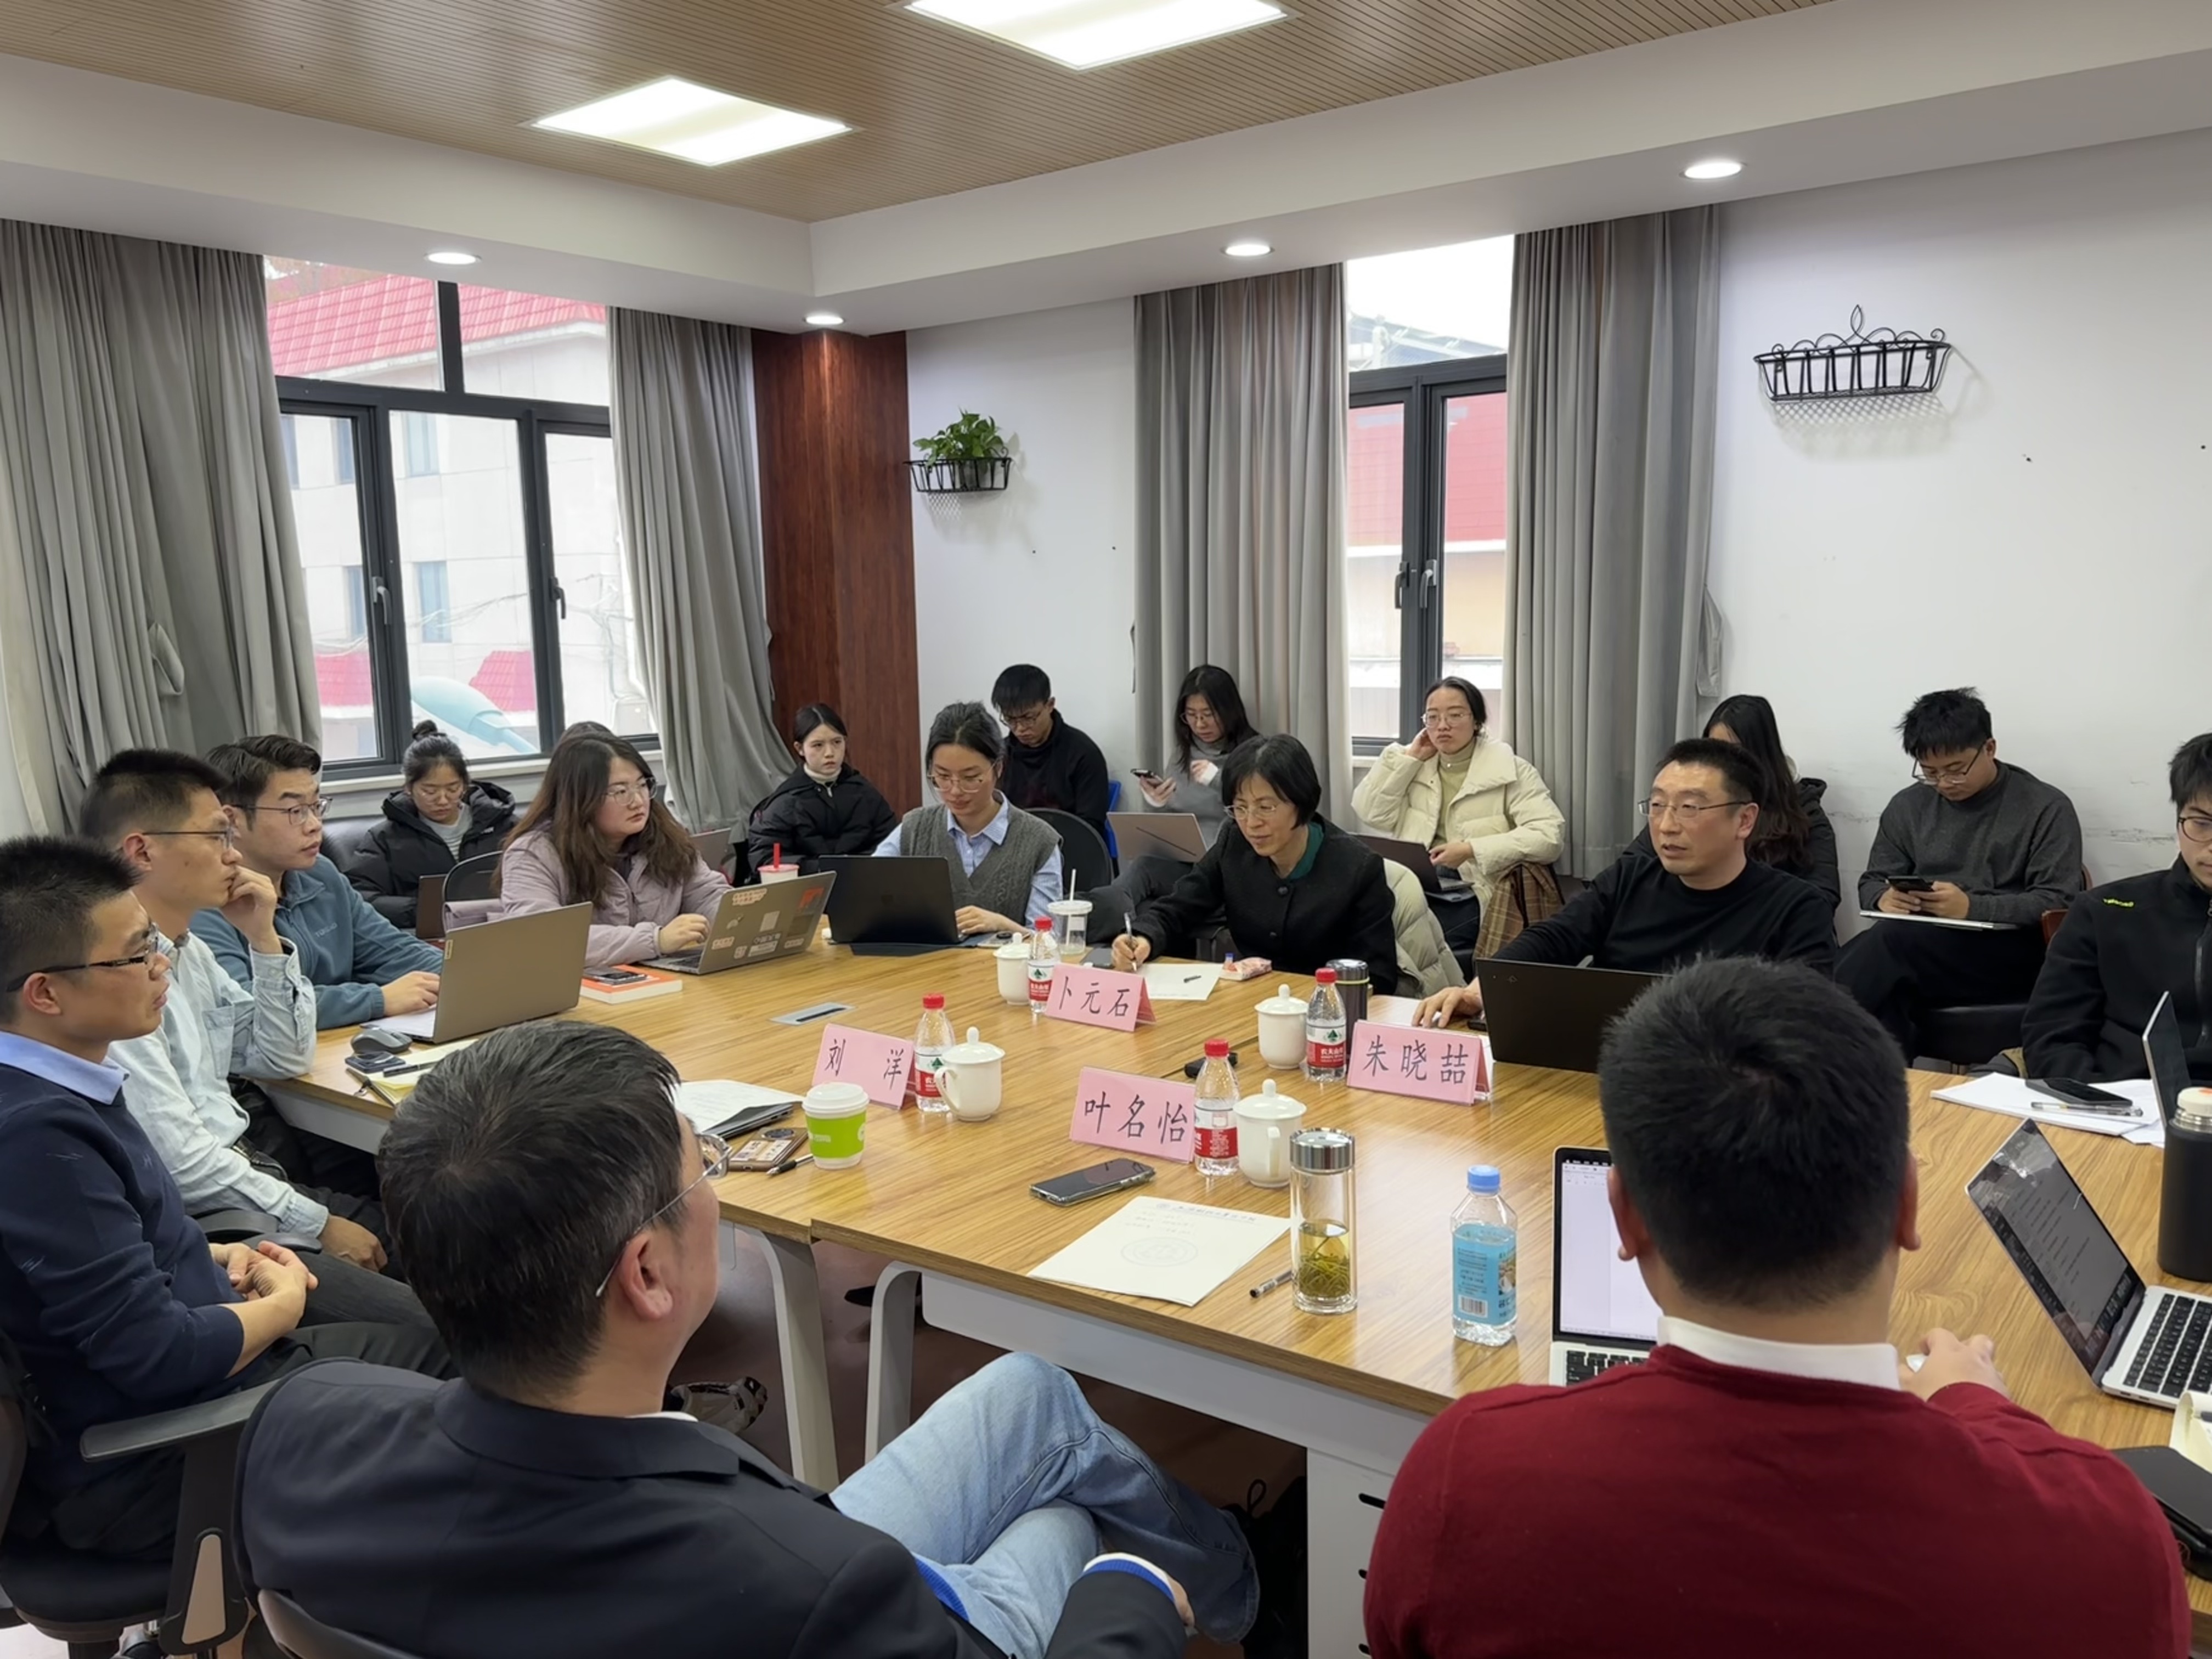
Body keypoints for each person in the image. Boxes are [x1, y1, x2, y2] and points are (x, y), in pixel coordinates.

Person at [236, 1022, 1261, 1659]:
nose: (715, 1194)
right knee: (1071, 1531)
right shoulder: (818, 1591)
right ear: (646, 1272)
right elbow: (813, 1585)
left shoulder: (300, 1427)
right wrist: (1126, 1597)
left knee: (1030, 1393)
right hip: (795, 1594)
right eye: (706, 1172)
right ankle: (1242, 1592)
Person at [1366, 956, 2187, 1659]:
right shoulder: (2109, 1541)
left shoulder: (1468, 1480)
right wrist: (1981, 1405)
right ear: (1906, 1206)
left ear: (1624, 1218)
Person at [0, 838, 452, 1561]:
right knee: (464, 1405)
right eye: (136, 954)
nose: (162, 967)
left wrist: (212, 1253)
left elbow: (86, 1260)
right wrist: (283, 1305)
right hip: (153, 1459)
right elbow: (155, 1355)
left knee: (447, 1348)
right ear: (46, 994)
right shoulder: (37, 1134)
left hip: (206, 1368)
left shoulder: (57, 1087)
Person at [82, 752, 413, 1299]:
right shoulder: (114, 979)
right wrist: (319, 1223)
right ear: (142, 850)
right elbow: (185, 1165)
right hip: (214, 1218)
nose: (233, 854)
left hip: (252, 1173)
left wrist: (263, 938)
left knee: (441, 1223)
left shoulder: (188, 951)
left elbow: (280, 1056)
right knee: (434, 1270)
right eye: (217, 836)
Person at [1412, 739, 1835, 1029]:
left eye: (1690, 808)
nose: (1666, 825)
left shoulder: (1796, 908)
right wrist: (1481, 991)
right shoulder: (1630, 878)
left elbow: (1805, 1024)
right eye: (1657, 805)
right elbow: (1555, 938)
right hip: (1610, 1063)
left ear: (1744, 820)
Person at [1839, 688, 2084, 1057]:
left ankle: (1802, 1030)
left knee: (1886, 947)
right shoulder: (1908, 806)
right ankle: (1887, 1089)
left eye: (1956, 770)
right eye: (1930, 773)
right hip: (1920, 948)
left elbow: (2058, 899)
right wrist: (1884, 898)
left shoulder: (2046, 807)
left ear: (1989, 748)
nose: (1944, 783)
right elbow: (1873, 880)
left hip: (2009, 951)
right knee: (1888, 988)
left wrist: (1971, 907)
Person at [1111, 735, 1401, 995]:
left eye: (1266, 807)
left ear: (1302, 803)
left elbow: (1380, 978)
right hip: (1253, 1004)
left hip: (1326, 1015)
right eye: (1240, 808)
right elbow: (1180, 906)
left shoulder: (1358, 868)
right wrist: (1143, 937)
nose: (1251, 823)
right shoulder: (1234, 843)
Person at [193, 735, 445, 1029]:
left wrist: (463, 974)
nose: (315, 825)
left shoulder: (321, 874)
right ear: (232, 821)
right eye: (296, 811)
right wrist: (377, 999)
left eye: (316, 806)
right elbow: (247, 1007)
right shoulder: (204, 900)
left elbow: (393, 950)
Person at [2024, 732, 2212, 1084]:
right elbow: (2052, 1036)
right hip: (2123, 1102)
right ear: (2179, 821)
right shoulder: (2103, 912)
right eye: (2202, 823)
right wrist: (2096, 1099)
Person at [1351, 677, 1564, 954]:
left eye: (1455, 715)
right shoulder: (1414, 764)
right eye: (1433, 717)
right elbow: (1370, 812)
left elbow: (1549, 836)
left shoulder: (1510, 769)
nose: (1442, 725)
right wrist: (1410, 758)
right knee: (1359, 926)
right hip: (1414, 881)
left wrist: (1470, 849)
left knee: (1414, 941)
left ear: (1476, 721)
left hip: (1475, 888)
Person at [498, 732, 732, 972]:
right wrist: (655, 940)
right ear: (582, 799)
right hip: (579, 987)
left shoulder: (665, 837)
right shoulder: (533, 854)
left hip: (661, 979)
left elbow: (707, 894)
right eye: (621, 792)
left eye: (642, 785)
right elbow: (543, 939)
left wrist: (734, 920)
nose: (638, 801)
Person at [1626, 694, 1840, 911]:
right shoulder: (1679, 812)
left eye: (1734, 752)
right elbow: (1631, 871)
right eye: (1714, 751)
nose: (1722, 764)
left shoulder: (1803, 812)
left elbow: (1822, 895)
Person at [876, 702, 1065, 940]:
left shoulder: (1038, 842)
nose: (955, 791)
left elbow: (1048, 943)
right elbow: (868, 892)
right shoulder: (915, 829)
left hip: (1002, 964)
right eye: (943, 776)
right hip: (925, 963)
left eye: (971, 778)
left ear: (998, 768)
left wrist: (1002, 925)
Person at [341, 720, 522, 926]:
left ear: (465, 785)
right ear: (409, 788)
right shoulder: (386, 838)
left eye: (453, 789)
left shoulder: (504, 826)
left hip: (501, 928)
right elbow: (358, 897)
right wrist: (421, 910)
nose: (443, 800)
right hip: (423, 936)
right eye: (430, 791)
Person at [748, 702, 899, 871]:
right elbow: (766, 858)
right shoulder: (784, 803)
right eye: (818, 745)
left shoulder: (866, 793)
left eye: (837, 742)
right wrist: (820, 869)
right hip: (808, 885)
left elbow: (893, 843)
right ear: (800, 748)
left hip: (863, 881)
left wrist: (857, 866)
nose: (830, 753)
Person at [1137, 665, 1257, 849]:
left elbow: (1254, 809)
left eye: (1208, 715)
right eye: (1191, 715)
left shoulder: (1253, 752)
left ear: (1229, 711)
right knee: (1142, 863)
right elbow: (1168, 819)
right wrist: (1156, 803)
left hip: (1222, 852)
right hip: (1179, 848)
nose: (1200, 724)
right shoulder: (1182, 752)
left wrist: (1218, 780)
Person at [994, 664, 1111, 844]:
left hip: (1069, 848)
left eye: (1028, 718)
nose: (1020, 729)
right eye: (1010, 720)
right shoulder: (999, 756)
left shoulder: (1083, 754)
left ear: (1050, 705)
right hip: (1012, 848)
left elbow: (1090, 828)